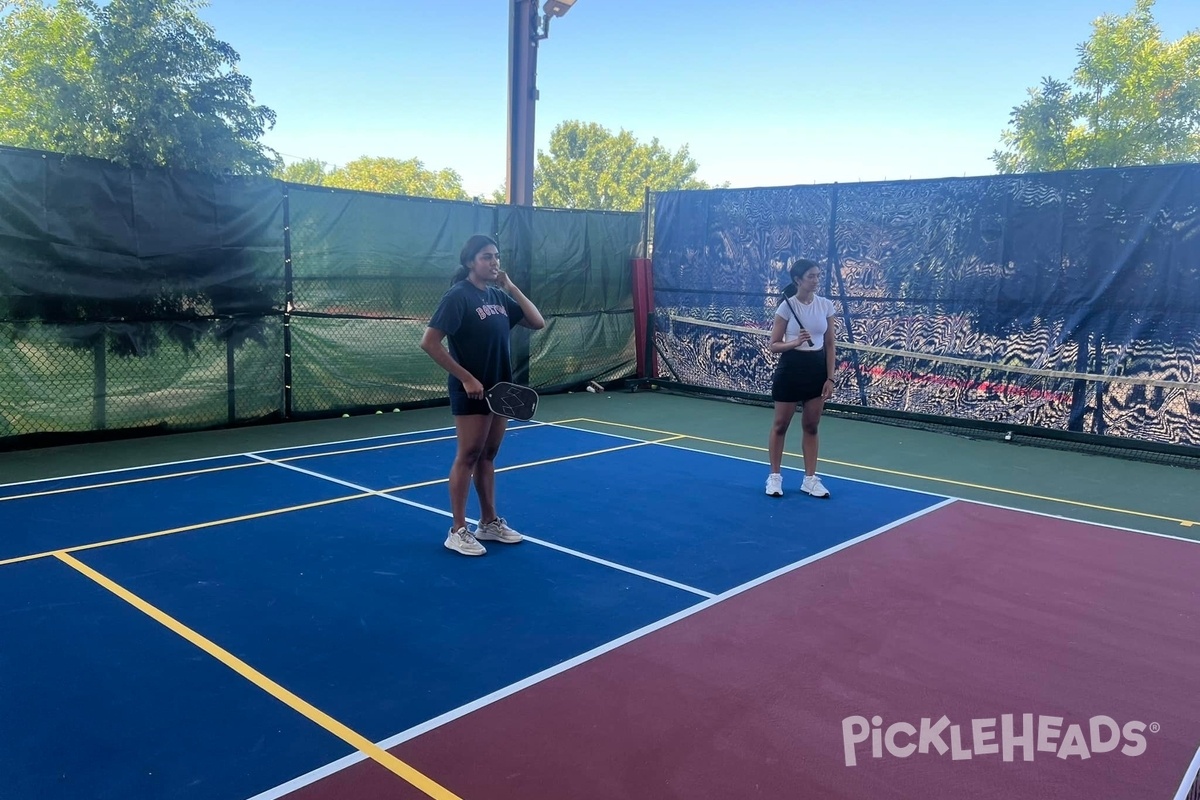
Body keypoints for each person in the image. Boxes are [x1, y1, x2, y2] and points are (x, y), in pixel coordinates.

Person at [419, 235, 545, 555]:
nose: (494, 262)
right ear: (469, 262)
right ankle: (458, 529)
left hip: (499, 389)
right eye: (486, 257)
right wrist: (466, 378)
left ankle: (488, 523)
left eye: (496, 257)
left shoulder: (497, 296)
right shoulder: (458, 296)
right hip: (471, 390)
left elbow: (537, 321)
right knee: (469, 454)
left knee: (488, 455)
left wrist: (511, 287)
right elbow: (430, 342)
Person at [765, 258, 837, 499]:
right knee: (781, 425)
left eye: (818, 275)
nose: (816, 280)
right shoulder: (786, 307)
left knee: (811, 426)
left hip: (816, 369)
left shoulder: (826, 305)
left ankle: (810, 480)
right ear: (798, 280)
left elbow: (829, 344)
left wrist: (830, 378)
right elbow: (774, 345)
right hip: (791, 367)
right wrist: (795, 341)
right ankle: (774, 477)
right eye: (811, 276)